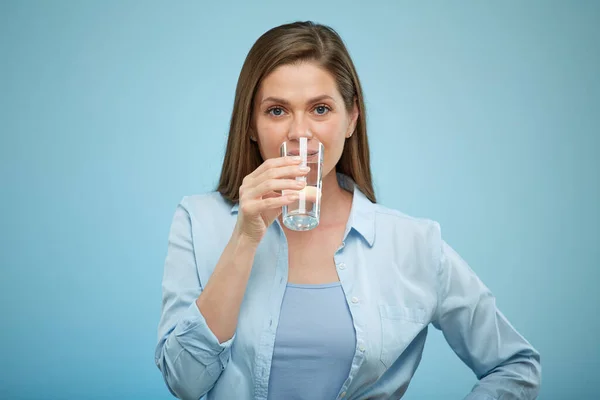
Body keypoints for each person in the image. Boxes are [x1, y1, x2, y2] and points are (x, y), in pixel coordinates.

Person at [154, 21, 541, 400]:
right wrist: (244, 238)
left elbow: (515, 365)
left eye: (320, 109)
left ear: (352, 118)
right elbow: (184, 383)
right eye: (277, 111)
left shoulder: (414, 243)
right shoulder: (198, 222)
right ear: (251, 125)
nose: (300, 133)